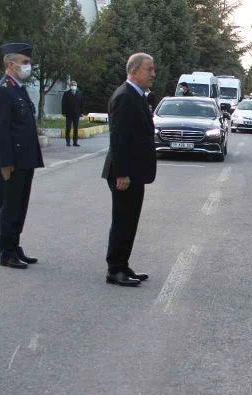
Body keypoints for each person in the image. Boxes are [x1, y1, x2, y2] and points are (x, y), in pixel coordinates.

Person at [101, 52, 157, 287]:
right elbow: (119, 139)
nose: (153, 74)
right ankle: (115, 270)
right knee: (123, 221)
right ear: (134, 71)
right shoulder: (125, 96)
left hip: (135, 171)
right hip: (125, 173)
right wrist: (122, 173)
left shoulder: (137, 95)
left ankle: (123, 265)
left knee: (130, 220)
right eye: (149, 69)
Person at [0, 41, 44, 269]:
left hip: (25, 160)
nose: (28, 66)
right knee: (9, 207)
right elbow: (0, 131)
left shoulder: (18, 89)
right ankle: (6, 252)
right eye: (25, 62)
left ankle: (15, 244)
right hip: (11, 162)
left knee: (20, 206)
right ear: (11, 64)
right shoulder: (1, 91)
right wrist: (6, 162)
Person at [61, 80, 83, 147]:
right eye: (72, 85)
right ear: (70, 86)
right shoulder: (66, 93)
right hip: (69, 114)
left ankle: (75, 142)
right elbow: (63, 103)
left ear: (76, 86)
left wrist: (81, 112)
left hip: (76, 114)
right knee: (68, 128)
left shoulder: (79, 93)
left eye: (75, 85)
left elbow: (81, 104)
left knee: (76, 128)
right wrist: (64, 112)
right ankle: (68, 142)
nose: (73, 86)